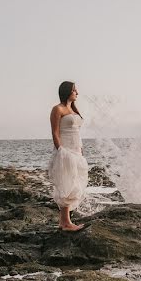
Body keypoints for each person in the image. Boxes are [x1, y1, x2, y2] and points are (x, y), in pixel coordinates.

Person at [48, 81, 90, 232]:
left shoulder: (73, 110)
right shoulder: (57, 109)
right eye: (74, 90)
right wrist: (61, 151)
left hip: (77, 151)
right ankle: (66, 223)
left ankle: (64, 222)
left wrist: (81, 150)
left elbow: (76, 133)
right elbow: (55, 133)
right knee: (67, 183)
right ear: (67, 91)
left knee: (75, 182)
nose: (77, 92)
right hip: (65, 151)